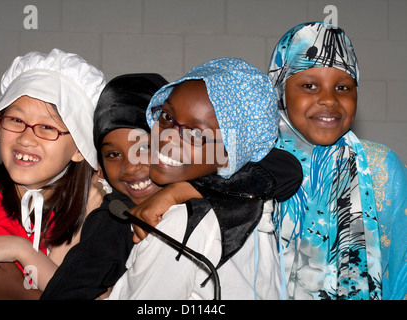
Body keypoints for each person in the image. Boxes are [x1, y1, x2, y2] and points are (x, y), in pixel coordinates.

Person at [108, 58, 303, 300]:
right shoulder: (252, 207)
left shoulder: (182, 225)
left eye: (195, 133)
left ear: (230, 153)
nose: (167, 137)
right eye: (167, 116)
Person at [267, 22, 406, 300]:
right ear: (280, 89)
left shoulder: (381, 167)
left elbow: (402, 271)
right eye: (309, 85)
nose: (329, 100)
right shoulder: (253, 166)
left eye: (343, 87)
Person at [0, 48, 106, 299]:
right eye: (16, 120)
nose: (26, 139)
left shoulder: (97, 209)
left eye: (47, 127)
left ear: (80, 149)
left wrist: (21, 251)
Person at [39, 73, 175, 299]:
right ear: (100, 168)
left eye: (143, 148)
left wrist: (181, 192)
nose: (130, 167)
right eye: (113, 154)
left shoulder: (205, 194)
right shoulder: (114, 220)